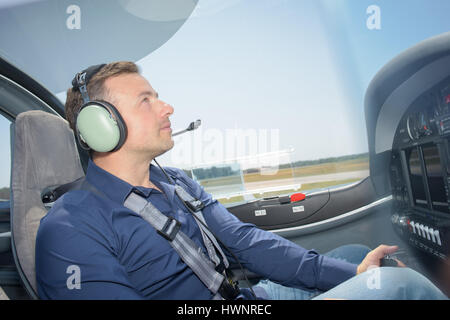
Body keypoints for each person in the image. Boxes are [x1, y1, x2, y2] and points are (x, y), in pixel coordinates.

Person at [35, 61, 447, 300]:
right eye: (147, 99)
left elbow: (247, 243)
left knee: (358, 256)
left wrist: (352, 275)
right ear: (100, 127)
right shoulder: (70, 229)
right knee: (401, 286)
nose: (168, 108)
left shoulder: (176, 183)